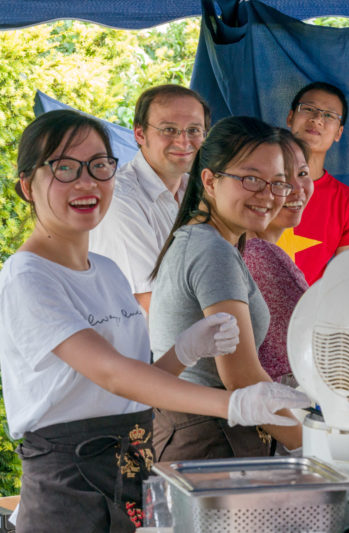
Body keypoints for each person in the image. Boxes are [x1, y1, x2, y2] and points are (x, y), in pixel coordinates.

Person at [0, 109, 310, 532]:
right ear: (27, 186)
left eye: (99, 165)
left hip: (133, 475)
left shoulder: (107, 271)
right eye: (65, 168)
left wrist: (180, 354)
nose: (87, 182)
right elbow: (111, 374)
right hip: (68, 491)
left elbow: (135, 388)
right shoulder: (26, 276)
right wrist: (232, 403)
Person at [149, 115, 305, 461]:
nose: (267, 196)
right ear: (209, 180)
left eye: (278, 183)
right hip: (209, 441)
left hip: (202, 434)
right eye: (251, 179)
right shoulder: (212, 251)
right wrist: (310, 445)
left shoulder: (208, 242)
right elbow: (242, 377)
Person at [90, 84, 210, 313]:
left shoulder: (196, 191)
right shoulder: (119, 199)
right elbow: (154, 306)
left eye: (194, 130)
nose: (184, 142)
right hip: (145, 347)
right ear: (139, 134)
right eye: (169, 130)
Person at [280, 81, 349, 285]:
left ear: (339, 133)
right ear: (290, 117)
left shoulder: (348, 203)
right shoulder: (257, 182)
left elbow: (344, 280)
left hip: (307, 312)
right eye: (308, 109)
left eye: (329, 115)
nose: (317, 120)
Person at [243, 131, 312, 380]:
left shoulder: (254, 248)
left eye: (303, 174)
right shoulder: (259, 254)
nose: (297, 189)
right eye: (281, 179)